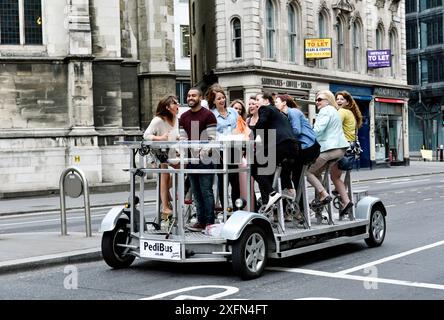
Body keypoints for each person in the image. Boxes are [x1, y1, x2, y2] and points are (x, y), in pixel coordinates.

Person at [252, 91, 299, 211]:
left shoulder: (265, 109)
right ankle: (287, 191)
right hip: (293, 148)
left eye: (258, 100)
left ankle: (272, 194)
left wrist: (250, 133)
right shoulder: (280, 113)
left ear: (267, 101)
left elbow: (261, 125)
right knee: (272, 170)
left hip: (281, 145)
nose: (256, 103)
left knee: (255, 167)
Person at [179, 88, 217, 231]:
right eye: (188, 95)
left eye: (193, 95)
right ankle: (200, 221)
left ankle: (209, 222)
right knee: (195, 191)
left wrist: (203, 151)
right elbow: (183, 139)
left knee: (206, 190)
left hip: (206, 159)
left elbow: (213, 139)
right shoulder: (183, 117)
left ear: (200, 98)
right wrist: (182, 155)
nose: (190, 98)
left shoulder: (208, 115)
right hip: (190, 160)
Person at [306, 90, 349, 208]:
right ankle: (320, 201)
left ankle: (323, 195)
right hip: (340, 149)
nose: (317, 102)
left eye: (319, 100)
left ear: (328, 101)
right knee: (317, 172)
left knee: (308, 172)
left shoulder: (324, 111)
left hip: (330, 148)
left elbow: (318, 130)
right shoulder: (334, 111)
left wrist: (307, 138)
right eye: (316, 100)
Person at [275, 95, 320, 199]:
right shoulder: (285, 115)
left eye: (277, 101)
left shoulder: (293, 112)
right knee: (292, 173)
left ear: (284, 103)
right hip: (303, 147)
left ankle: (292, 195)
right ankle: (296, 202)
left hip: (308, 146)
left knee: (289, 169)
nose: (275, 104)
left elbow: (297, 131)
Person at [143, 95, 179, 220]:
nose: (177, 105)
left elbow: (175, 135)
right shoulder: (158, 120)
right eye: (175, 103)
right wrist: (160, 138)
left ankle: (168, 192)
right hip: (158, 152)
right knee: (165, 173)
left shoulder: (176, 118)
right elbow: (146, 135)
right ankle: (165, 206)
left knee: (183, 167)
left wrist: (180, 139)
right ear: (167, 107)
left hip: (172, 151)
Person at [206, 84, 241, 210]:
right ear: (214, 101)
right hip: (220, 150)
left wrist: (236, 134)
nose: (222, 100)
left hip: (234, 148)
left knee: (235, 180)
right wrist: (227, 136)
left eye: (223, 98)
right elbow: (213, 133)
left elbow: (239, 126)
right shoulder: (211, 115)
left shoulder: (233, 112)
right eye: (218, 98)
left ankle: (237, 209)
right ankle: (226, 209)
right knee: (222, 180)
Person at [331, 90, 363, 217]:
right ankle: (339, 191)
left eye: (341, 99)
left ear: (347, 102)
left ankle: (346, 201)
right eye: (337, 99)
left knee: (334, 177)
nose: (338, 101)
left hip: (343, 148)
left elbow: (332, 125)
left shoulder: (342, 112)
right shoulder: (351, 113)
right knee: (336, 176)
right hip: (351, 148)